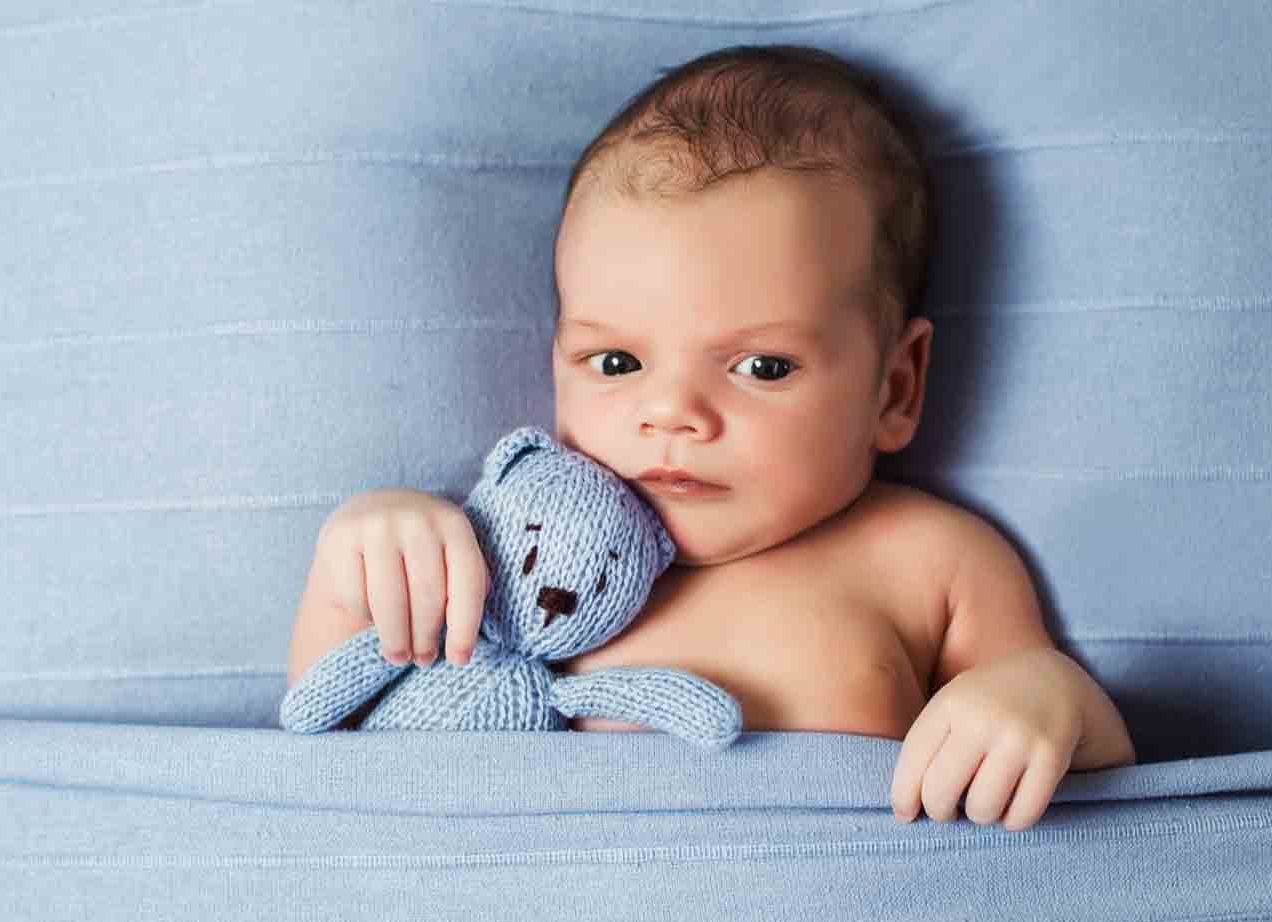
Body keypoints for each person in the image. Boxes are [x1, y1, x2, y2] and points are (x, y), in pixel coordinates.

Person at [286, 44, 1135, 832]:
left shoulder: (930, 558)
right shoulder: (504, 555)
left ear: (895, 386)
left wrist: (1039, 698)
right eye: (616, 360)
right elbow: (332, 745)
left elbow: (1080, 741)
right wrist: (356, 565)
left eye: (762, 367)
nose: (674, 414)